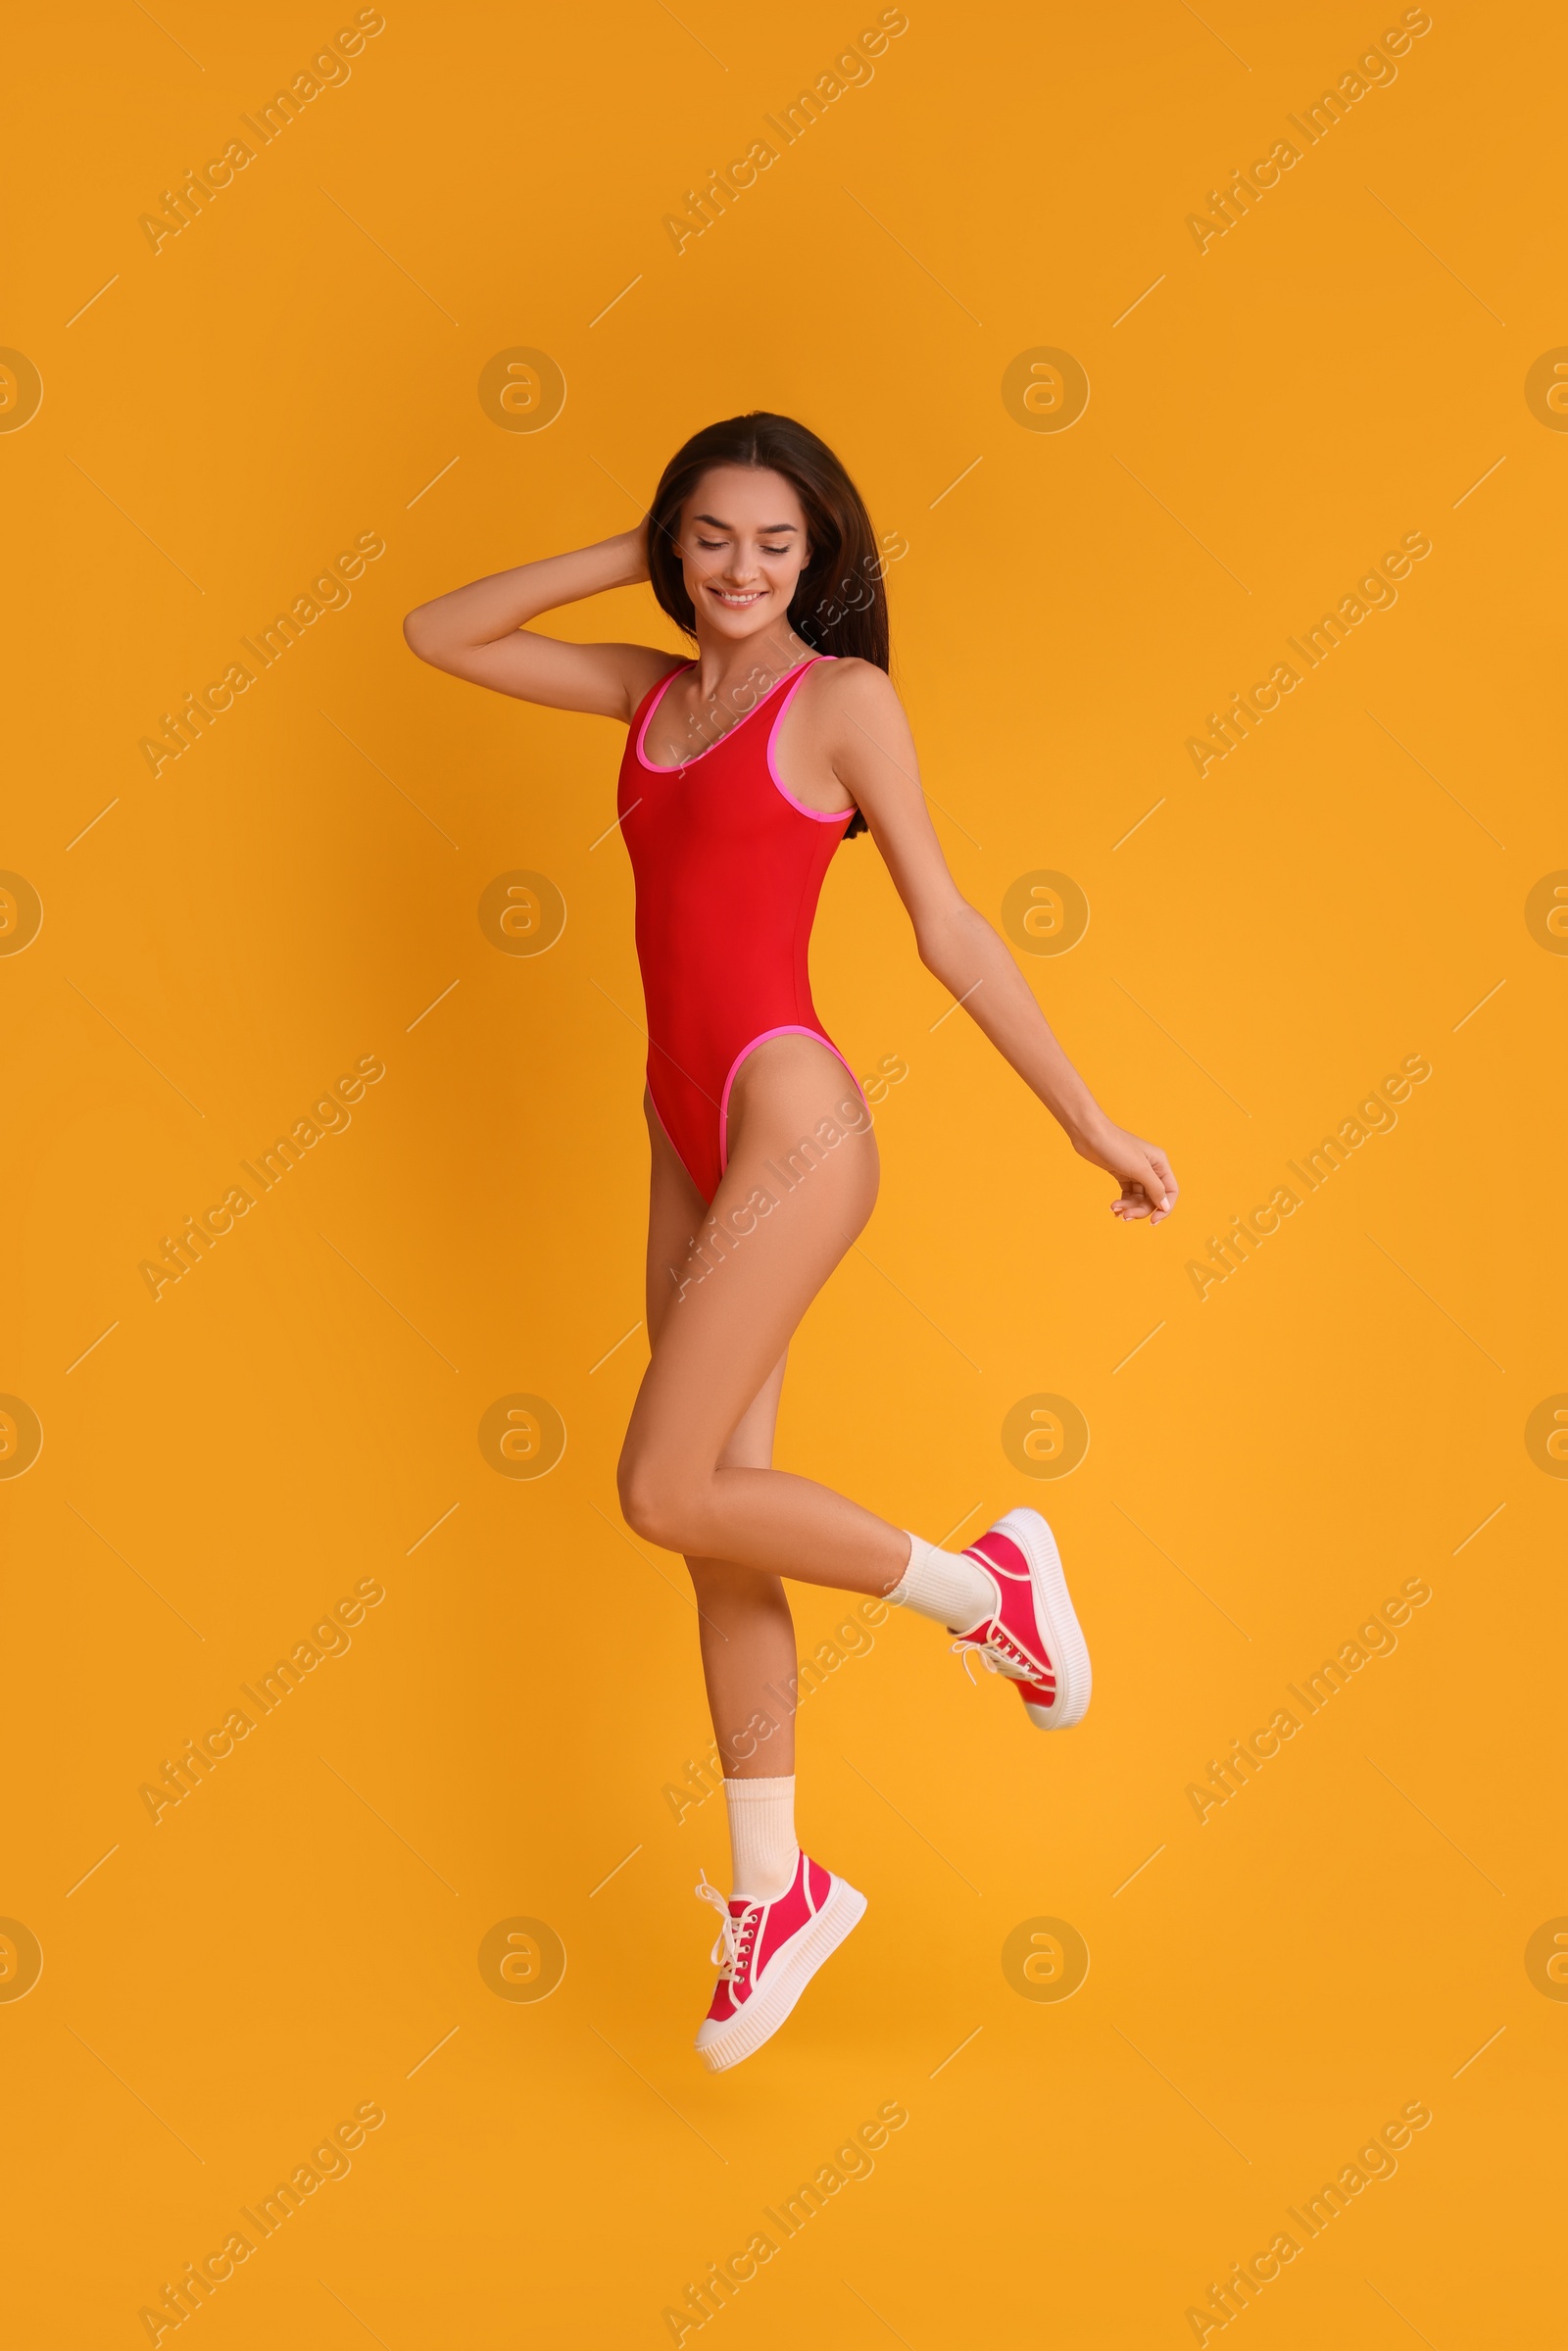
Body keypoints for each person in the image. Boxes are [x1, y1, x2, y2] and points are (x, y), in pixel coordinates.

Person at [405, 411, 1178, 2073]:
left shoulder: (843, 706)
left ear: (821, 555)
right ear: (677, 544)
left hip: (786, 1111)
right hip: (678, 1125)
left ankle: (991, 1594)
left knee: (657, 1482)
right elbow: (441, 632)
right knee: (715, 1523)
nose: (741, 570)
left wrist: (1087, 1120)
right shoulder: (649, 692)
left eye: (774, 543)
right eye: (710, 539)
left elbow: (948, 922)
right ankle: (777, 1888)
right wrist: (639, 543)